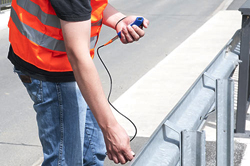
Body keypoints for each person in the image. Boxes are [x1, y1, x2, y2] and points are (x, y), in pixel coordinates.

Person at [7, 0, 149, 165]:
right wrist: (111, 128)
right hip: (52, 70)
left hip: (56, 61)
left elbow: (87, 4)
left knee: (93, 153)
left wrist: (117, 19)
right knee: (65, 160)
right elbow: (77, 55)